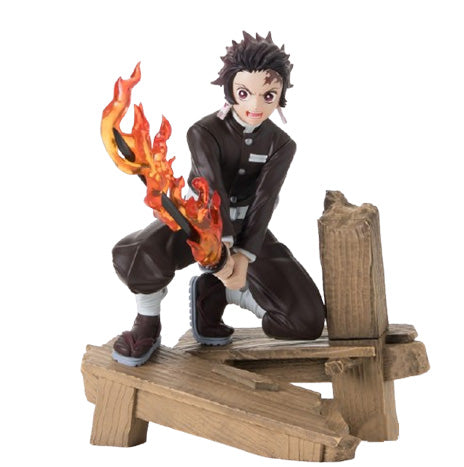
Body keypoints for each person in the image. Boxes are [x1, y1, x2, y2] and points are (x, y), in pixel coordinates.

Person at [111, 32, 325, 367]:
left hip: (249, 230)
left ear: (280, 95)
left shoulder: (281, 145)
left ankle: (220, 293)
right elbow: (212, 189)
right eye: (245, 93)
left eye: (268, 95)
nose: (256, 106)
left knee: (305, 320)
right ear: (230, 90)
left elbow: (264, 202)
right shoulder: (203, 132)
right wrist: (220, 249)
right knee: (139, 256)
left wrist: (243, 258)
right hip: (198, 220)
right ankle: (147, 322)